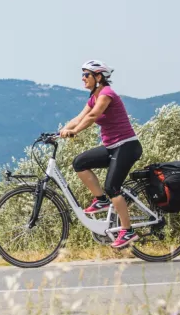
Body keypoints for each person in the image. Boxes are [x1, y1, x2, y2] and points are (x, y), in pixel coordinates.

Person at [59, 60, 143, 249]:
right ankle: (101, 200)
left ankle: (127, 230)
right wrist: (62, 131)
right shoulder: (93, 97)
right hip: (112, 146)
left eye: (86, 75)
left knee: (112, 186)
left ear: (99, 77)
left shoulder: (106, 94)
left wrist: (76, 131)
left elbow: (92, 117)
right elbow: (80, 117)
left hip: (127, 146)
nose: (83, 78)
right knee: (79, 163)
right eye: (82, 75)